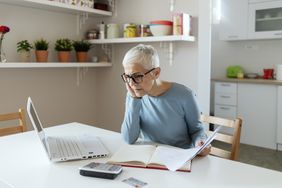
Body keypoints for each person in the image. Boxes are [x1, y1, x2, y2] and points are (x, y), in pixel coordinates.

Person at [120, 44, 210, 156]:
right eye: (127, 77)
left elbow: (197, 130)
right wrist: (134, 100)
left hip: (180, 158)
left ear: (156, 73)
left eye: (137, 76)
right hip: (151, 158)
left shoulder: (185, 95)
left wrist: (200, 142)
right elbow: (128, 139)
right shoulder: (134, 95)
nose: (131, 83)